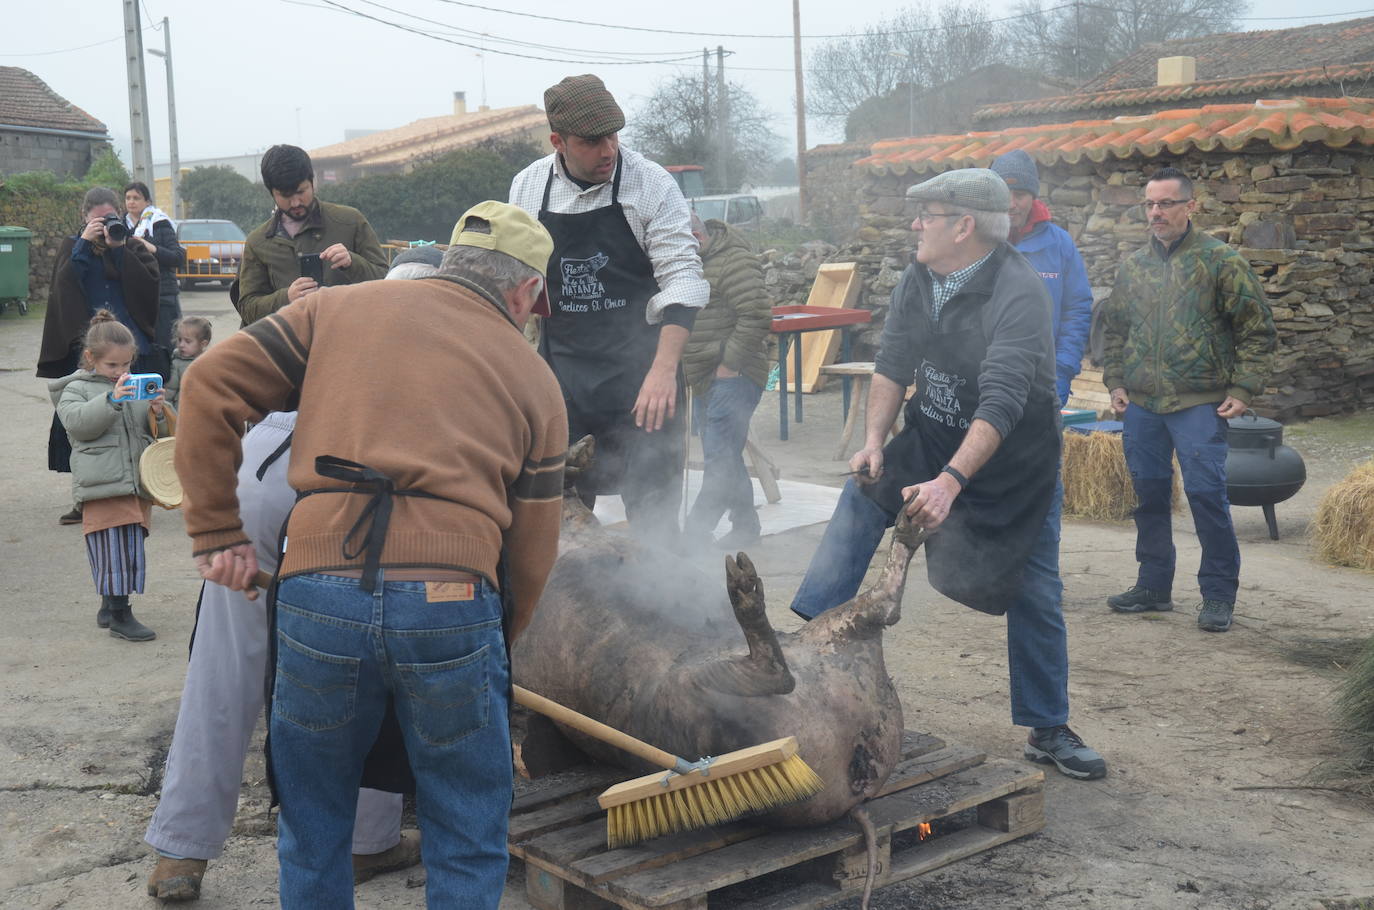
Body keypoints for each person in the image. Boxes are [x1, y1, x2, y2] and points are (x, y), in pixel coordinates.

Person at [175, 202, 567, 908]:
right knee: (466, 819)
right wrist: (494, 644)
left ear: (453, 262)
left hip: (319, 592)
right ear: (526, 292)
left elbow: (207, 383)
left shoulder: (337, 310)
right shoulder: (533, 374)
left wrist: (217, 532)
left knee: (315, 814)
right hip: (451, 601)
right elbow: (533, 551)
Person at [142, 252, 444, 902]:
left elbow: (217, 384)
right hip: (338, 489)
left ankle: (180, 852)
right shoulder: (445, 336)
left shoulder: (338, 314)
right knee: (361, 665)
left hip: (255, 471)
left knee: (224, 665)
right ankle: (366, 842)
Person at [789, 168, 1106, 781]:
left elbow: (1004, 399)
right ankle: (804, 662)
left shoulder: (1018, 291)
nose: (914, 225)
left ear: (964, 226)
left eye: (927, 215)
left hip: (1012, 465)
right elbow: (894, 360)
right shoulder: (918, 276)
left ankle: (1048, 727)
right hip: (929, 435)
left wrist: (950, 483)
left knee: (1036, 589)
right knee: (860, 499)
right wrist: (875, 441)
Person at [510, 74, 708, 546]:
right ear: (558, 141)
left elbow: (682, 279)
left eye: (614, 135)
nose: (608, 150)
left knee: (656, 528)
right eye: (592, 141)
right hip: (564, 378)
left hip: (643, 377)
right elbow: (515, 282)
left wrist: (663, 373)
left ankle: (665, 610)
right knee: (557, 525)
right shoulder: (528, 188)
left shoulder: (649, 183)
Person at [1102, 167, 1276, 633]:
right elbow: (1114, 329)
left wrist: (1242, 389)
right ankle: (1153, 586)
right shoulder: (1133, 265)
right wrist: (1116, 380)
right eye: (1150, 205)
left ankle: (1218, 595)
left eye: (1165, 204)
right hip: (1141, 405)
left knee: (1205, 496)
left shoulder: (1221, 261)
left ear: (1190, 206)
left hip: (1200, 403)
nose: (1155, 213)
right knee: (1150, 497)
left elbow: (1258, 331)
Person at [38, 186, 163, 525]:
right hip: (88, 351)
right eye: (99, 220)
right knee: (83, 426)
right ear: (84, 218)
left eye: (112, 218)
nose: (106, 225)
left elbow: (150, 286)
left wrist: (119, 249)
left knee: (134, 424)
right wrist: (83, 244)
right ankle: (85, 499)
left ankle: (139, 490)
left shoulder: (132, 245)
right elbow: (63, 288)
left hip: (129, 347)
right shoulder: (72, 248)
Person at [49, 310, 166, 641]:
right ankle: (120, 615)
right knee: (111, 548)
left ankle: (108, 604)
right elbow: (79, 425)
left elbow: (157, 434)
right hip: (101, 484)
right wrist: (112, 400)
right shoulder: (75, 390)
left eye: (126, 365)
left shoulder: (133, 389)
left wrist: (159, 411)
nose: (121, 372)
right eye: (112, 366)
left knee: (130, 545)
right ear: (90, 358)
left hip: (134, 482)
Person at [682, 213, 771, 550]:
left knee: (719, 458)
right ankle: (746, 528)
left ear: (695, 236)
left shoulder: (734, 260)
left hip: (734, 375)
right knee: (726, 455)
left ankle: (693, 534)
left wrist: (729, 365)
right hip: (707, 374)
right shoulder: (695, 261)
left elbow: (758, 314)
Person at [234, 144, 388, 325]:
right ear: (272, 193)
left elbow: (387, 281)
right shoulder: (258, 242)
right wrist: (287, 298)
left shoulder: (350, 221)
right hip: (288, 347)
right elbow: (247, 308)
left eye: (301, 192)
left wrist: (352, 263)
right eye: (285, 195)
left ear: (312, 182)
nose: (295, 202)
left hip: (348, 340)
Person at [989, 150, 1093, 407]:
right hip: (984, 376)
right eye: (1005, 194)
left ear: (1033, 197)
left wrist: (1063, 369)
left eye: (1020, 195)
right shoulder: (976, 241)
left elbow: (1076, 310)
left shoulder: (1060, 245)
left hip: (1043, 379)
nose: (1012, 203)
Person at [124, 181, 185, 364]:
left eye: (136, 198)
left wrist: (151, 247)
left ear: (147, 201)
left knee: (167, 347)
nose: (131, 202)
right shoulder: (120, 226)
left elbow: (177, 257)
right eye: (128, 198)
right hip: (134, 298)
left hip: (163, 296)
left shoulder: (160, 223)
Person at [164, 315, 211, 406]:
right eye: (180, 339)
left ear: (203, 344)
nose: (181, 345)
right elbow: (170, 390)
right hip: (182, 410)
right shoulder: (176, 363)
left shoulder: (210, 362)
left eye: (187, 341)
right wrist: (166, 409)